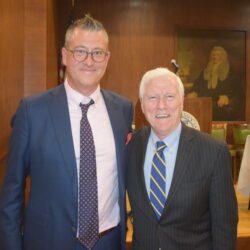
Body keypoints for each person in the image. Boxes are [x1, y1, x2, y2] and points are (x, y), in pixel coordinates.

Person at [0, 15, 133, 250]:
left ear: (107, 58)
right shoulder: (32, 111)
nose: (89, 61)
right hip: (48, 242)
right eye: (80, 51)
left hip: (109, 242)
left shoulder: (122, 109)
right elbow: (12, 194)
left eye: (98, 52)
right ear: (64, 55)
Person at [126, 67, 238, 249]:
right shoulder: (130, 148)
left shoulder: (214, 151)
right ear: (142, 104)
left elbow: (224, 225)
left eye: (169, 96)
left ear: (181, 102)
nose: (161, 105)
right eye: (152, 97)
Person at [186, 46, 244, 121]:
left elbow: (235, 88)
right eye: (213, 55)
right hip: (206, 101)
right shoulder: (206, 70)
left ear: (223, 56)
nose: (215, 57)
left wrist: (226, 96)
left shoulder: (230, 72)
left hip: (219, 104)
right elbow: (198, 83)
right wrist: (194, 92)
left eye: (218, 55)